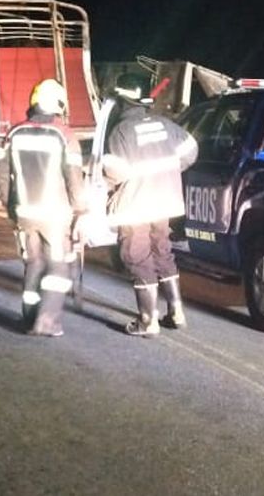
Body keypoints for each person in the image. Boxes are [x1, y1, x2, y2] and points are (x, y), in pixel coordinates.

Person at [102, 73, 198, 337]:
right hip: (166, 200)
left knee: (137, 255)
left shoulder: (121, 131)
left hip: (137, 206)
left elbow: (116, 173)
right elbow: (191, 151)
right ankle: (176, 313)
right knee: (162, 251)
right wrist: (169, 171)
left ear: (123, 101)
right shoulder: (165, 124)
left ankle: (147, 320)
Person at [0, 79, 87, 337]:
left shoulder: (13, 133)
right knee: (57, 266)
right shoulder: (64, 135)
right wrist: (81, 211)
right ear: (59, 104)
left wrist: (10, 207)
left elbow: (2, 177)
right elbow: (74, 179)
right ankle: (47, 322)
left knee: (33, 264)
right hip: (54, 216)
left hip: (25, 213)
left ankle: (29, 317)